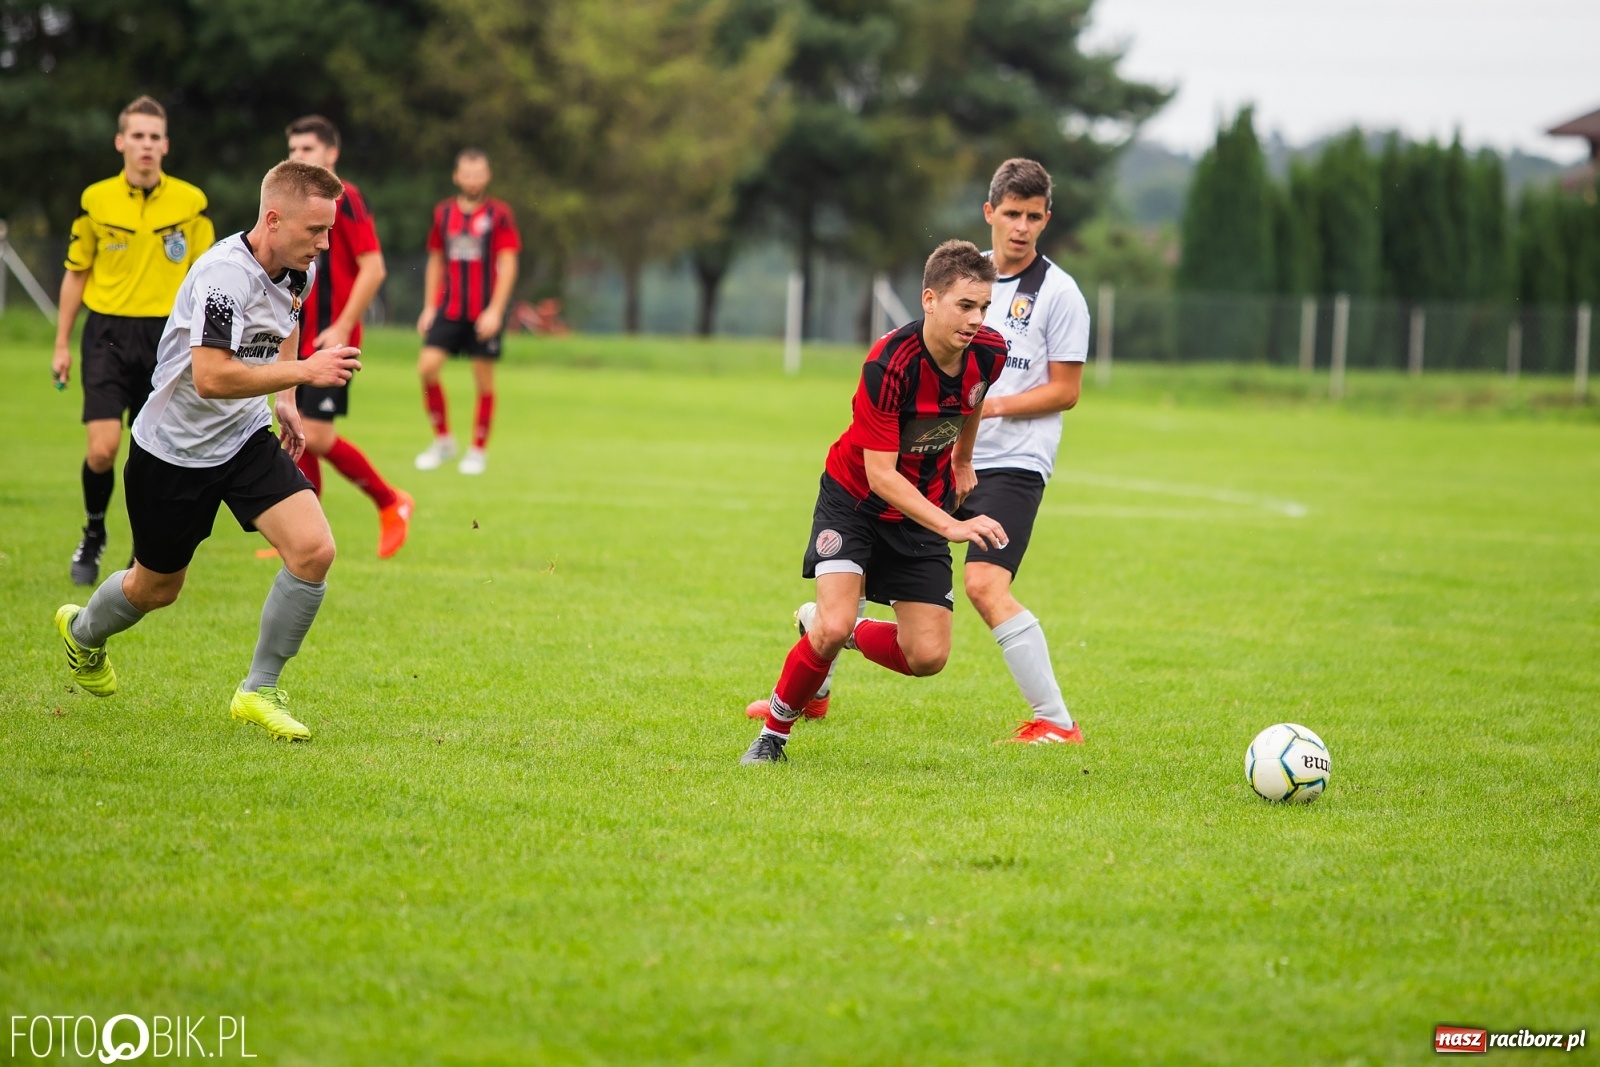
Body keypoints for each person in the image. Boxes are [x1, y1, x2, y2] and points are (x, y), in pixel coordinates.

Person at [766, 160, 1092, 746]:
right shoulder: (957, 287)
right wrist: (960, 466)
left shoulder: (1054, 296)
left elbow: (1056, 390)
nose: (1021, 226)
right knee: (845, 611)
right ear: (989, 214)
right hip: (903, 478)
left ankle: (1056, 721)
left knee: (966, 608)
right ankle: (802, 689)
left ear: (1047, 220)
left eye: (1034, 216)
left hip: (1008, 460)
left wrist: (971, 442)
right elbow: (881, 471)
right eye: (1011, 214)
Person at [54, 161, 362, 742]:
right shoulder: (223, 277)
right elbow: (213, 376)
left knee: (314, 551)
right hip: (172, 451)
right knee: (155, 588)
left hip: (243, 437)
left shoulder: (300, 268)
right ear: (273, 220)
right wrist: (306, 370)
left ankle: (258, 690)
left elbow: (284, 326)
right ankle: (84, 634)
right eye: (314, 230)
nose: (324, 243)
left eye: (328, 230)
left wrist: (288, 397)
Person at [740, 240, 1010, 765]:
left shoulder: (989, 352)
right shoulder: (889, 363)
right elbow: (881, 475)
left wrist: (961, 459)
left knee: (928, 657)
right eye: (964, 306)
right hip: (856, 503)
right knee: (834, 623)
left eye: (983, 307)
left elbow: (972, 400)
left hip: (920, 510)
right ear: (929, 299)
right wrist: (951, 526)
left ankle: (824, 629)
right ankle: (773, 735)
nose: (976, 319)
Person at [52, 95, 214, 586]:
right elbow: (76, 274)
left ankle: (143, 553)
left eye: (154, 137)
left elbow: (208, 277)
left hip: (167, 339)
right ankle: (94, 532)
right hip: (106, 334)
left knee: (152, 456)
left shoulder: (191, 203)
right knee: (103, 449)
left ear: (165, 145)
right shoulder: (95, 200)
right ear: (121, 142)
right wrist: (61, 343)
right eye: (136, 136)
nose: (145, 145)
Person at [280, 115, 413, 558]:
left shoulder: (345, 197)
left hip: (331, 339)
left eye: (308, 150)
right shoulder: (290, 203)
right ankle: (305, 537)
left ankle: (391, 501)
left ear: (331, 154)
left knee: (315, 434)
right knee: (299, 429)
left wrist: (341, 325)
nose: (298, 157)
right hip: (296, 337)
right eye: (293, 149)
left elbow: (373, 267)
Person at [413, 149, 521, 475]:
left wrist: (496, 311)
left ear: (486, 177)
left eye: (479, 174)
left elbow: (509, 262)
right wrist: (430, 305)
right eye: (467, 174)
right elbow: (435, 259)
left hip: (483, 310)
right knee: (427, 367)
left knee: (483, 380)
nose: (473, 180)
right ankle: (444, 441)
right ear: (456, 176)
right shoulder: (443, 213)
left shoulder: (499, 214)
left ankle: (477, 450)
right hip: (450, 307)